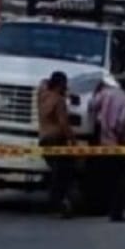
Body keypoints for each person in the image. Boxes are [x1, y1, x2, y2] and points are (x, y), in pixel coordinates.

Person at [89, 75, 125, 222]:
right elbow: (122, 122)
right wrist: (118, 134)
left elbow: (92, 105)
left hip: (105, 142)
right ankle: (118, 212)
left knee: (113, 177)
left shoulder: (106, 93)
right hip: (122, 143)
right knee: (123, 178)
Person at [38, 71, 75, 218]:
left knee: (56, 171)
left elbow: (42, 84)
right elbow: (63, 123)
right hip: (57, 140)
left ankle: (56, 202)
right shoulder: (59, 101)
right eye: (65, 84)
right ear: (60, 84)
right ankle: (59, 202)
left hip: (44, 139)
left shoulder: (42, 96)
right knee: (64, 172)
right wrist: (72, 139)